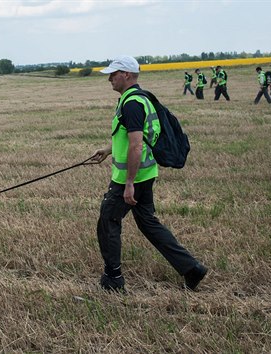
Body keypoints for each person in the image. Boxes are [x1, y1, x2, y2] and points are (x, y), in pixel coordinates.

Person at [88, 55, 207, 292]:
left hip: (129, 179)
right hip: (146, 173)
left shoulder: (132, 103)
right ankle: (192, 268)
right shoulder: (139, 99)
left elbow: (136, 145)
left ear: (127, 75)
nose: (110, 78)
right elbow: (132, 136)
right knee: (148, 224)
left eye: (114, 74)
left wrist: (129, 183)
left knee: (108, 222)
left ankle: (113, 279)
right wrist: (107, 149)